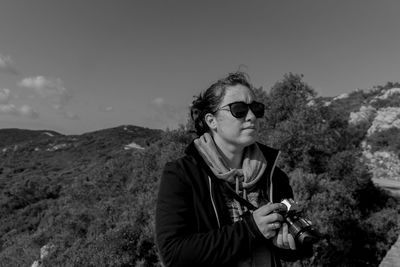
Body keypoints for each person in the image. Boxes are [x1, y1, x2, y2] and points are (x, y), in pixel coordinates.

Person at [155, 72, 312, 267]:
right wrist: (250, 230)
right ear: (211, 121)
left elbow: (293, 251)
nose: (252, 116)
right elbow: (173, 254)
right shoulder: (181, 174)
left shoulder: (273, 175)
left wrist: (290, 245)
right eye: (239, 109)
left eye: (255, 108)